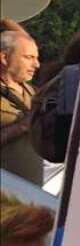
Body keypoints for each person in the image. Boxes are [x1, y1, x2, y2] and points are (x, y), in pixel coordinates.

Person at [0, 29, 42, 184]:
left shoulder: (31, 91)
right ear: (4, 57)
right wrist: (21, 127)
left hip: (31, 194)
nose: (36, 64)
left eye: (36, 58)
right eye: (29, 57)